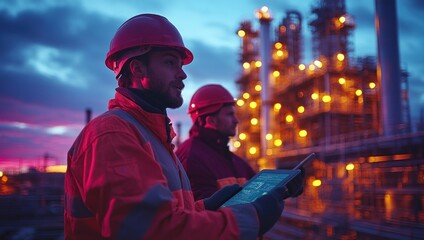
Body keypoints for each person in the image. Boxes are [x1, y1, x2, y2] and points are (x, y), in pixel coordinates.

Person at [64, 13, 294, 239]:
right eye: (169, 62)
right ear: (137, 69)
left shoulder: (154, 137)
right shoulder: (113, 135)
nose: (182, 74)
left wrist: (206, 207)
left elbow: (170, 215)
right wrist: (250, 218)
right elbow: (152, 231)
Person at [176, 84, 257, 200]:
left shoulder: (233, 160)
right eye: (229, 114)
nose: (236, 120)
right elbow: (203, 212)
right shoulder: (191, 158)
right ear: (211, 120)